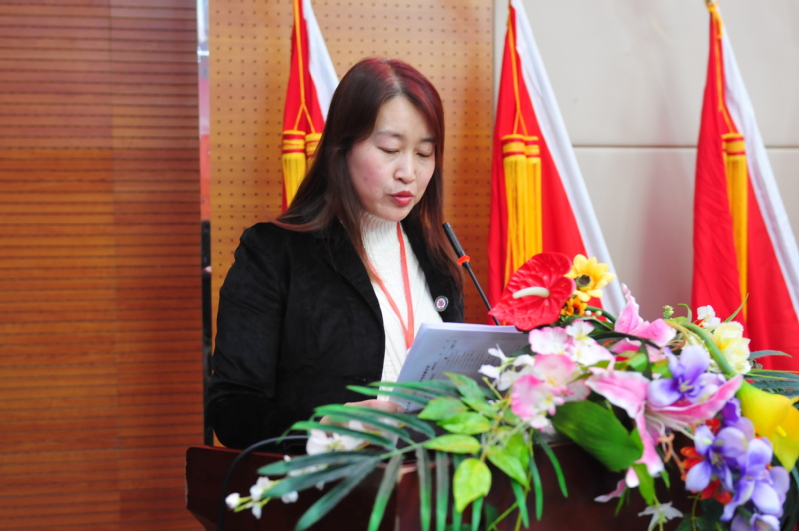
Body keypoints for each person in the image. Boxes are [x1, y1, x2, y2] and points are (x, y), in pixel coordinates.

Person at [207, 58, 465, 450]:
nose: (409, 173)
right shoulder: (275, 254)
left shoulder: (437, 257)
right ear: (341, 148)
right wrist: (321, 427)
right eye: (390, 149)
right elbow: (231, 409)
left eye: (425, 154)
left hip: (428, 479)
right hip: (328, 481)